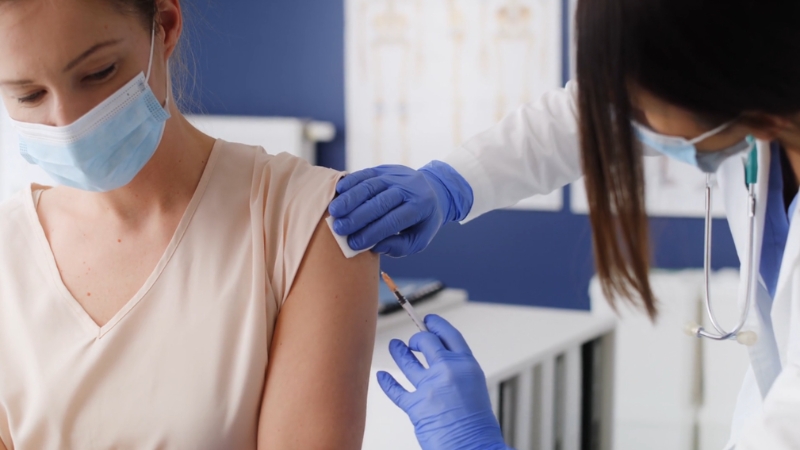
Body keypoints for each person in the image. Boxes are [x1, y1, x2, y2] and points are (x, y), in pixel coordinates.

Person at [329, 0, 800, 448]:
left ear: (757, 111)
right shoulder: (759, 90)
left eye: (637, 110)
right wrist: (451, 182)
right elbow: (574, 118)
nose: (617, 117)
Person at [0, 0, 378, 449]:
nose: (69, 123)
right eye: (28, 95)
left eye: (98, 73)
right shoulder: (9, 249)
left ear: (164, 25)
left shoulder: (309, 221)